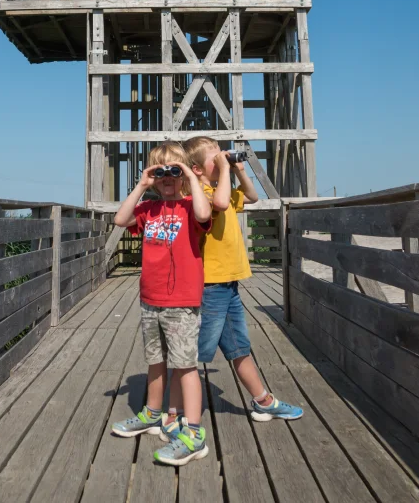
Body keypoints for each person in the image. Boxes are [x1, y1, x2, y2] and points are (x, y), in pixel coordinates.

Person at [161, 136, 303, 440]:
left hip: (228, 285)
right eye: (216, 157)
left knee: (239, 347)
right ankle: (172, 413)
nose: (222, 160)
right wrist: (224, 171)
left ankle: (263, 401)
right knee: (189, 354)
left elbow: (250, 197)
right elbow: (222, 202)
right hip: (210, 286)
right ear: (197, 170)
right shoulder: (202, 194)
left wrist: (238, 170)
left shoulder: (222, 185)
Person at [111, 142, 211, 466]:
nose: (167, 177)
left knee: (185, 365)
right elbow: (119, 219)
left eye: (174, 171)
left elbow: (204, 214)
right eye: (161, 171)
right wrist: (142, 184)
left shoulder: (188, 206)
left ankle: (193, 433)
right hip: (150, 299)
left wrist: (190, 179)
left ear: (182, 174)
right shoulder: (147, 210)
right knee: (155, 360)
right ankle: (153, 413)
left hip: (182, 301)